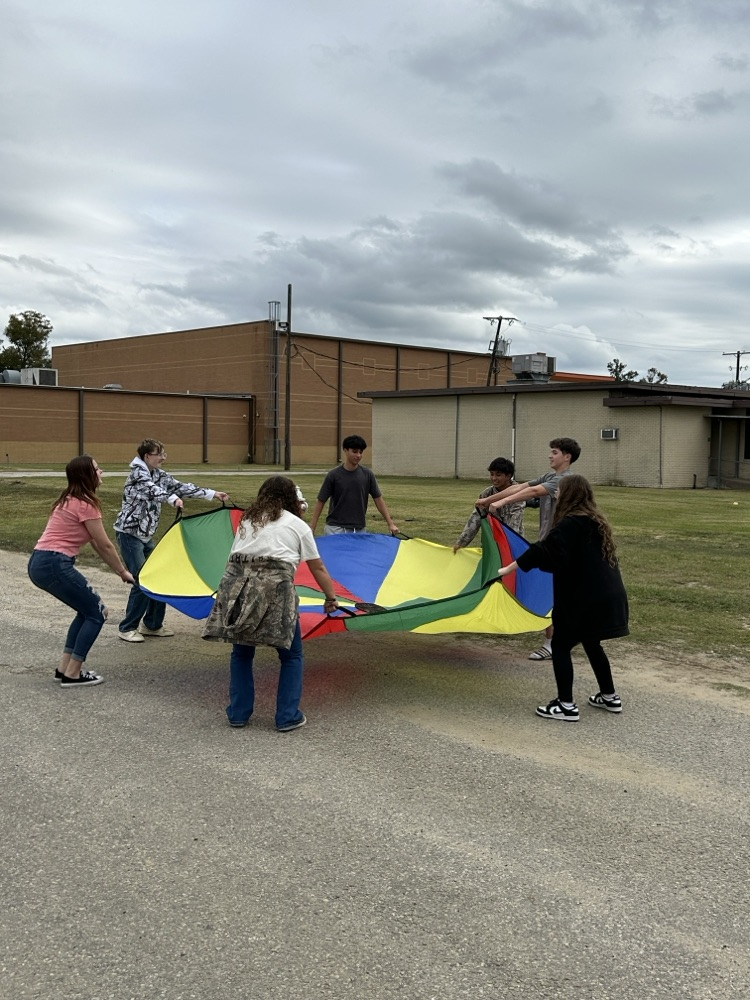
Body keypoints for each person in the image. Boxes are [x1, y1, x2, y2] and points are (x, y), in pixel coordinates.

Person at [203, 476, 339, 731]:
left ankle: (238, 714)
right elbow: (317, 566)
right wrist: (331, 597)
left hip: (239, 590)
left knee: (242, 653)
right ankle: (287, 716)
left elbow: (236, 558)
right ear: (292, 498)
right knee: (292, 655)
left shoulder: (247, 520)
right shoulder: (298, 526)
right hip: (276, 592)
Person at [497, 475, 628, 722]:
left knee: (560, 645)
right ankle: (610, 696)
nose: (555, 495)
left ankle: (566, 705)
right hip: (608, 595)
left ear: (567, 495)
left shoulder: (570, 523)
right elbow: (561, 558)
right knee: (591, 642)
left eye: (559, 492)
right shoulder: (596, 522)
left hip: (583, 598)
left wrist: (508, 569)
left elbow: (544, 551)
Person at [28, 455, 135, 687]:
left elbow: (97, 544)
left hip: (41, 562)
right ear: (87, 475)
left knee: (86, 610)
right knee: (97, 613)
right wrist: (123, 572)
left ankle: (64, 668)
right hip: (55, 564)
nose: (102, 472)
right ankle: (73, 673)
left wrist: (119, 571)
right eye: (97, 469)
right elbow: (105, 544)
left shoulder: (69, 499)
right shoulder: (85, 504)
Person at [476, 437, 581, 660]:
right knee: (552, 591)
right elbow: (521, 486)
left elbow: (532, 493)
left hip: (563, 545)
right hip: (549, 542)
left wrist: (501, 503)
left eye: (554, 452)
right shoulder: (550, 476)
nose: (550, 456)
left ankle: (553, 643)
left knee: (549, 592)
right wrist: (487, 500)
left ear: (567, 457)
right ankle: (560, 638)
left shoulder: (565, 480)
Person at [114, 439, 230, 642]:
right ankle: (127, 627)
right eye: (159, 454)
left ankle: (152, 625)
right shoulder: (137, 475)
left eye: (163, 453)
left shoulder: (158, 474)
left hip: (145, 535)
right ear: (146, 456)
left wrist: (212, 494)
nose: (163, 457)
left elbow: (181, 487)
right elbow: (153, 490)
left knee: (158, 578)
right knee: (142, 580)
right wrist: (172, 499)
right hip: (129, 534)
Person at [309, 434, 399, 535]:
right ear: (345, 450)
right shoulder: (333, 475)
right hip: (335, 528)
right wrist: (313, 526)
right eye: (354, 451)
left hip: (359, 529)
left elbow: (378, 500)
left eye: (361, 452)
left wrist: (390, 523)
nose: (358, 455)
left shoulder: (367, 474)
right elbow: (321, 501)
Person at [452, 457, 524, 553]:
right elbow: (475, 519)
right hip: (490, 543)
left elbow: (514, 525)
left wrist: (507, 550)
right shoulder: (486, 494)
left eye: (498, 475)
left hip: (512, 546)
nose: (494, 478)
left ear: (508, 476)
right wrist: (461, 543)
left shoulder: (518, 494)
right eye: (492, 474)